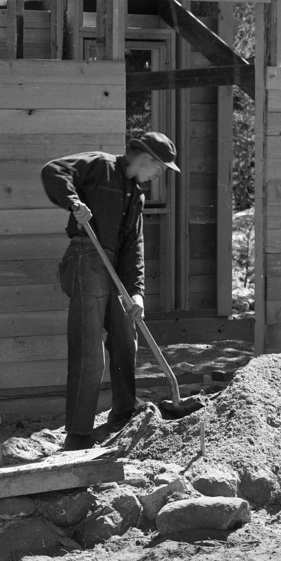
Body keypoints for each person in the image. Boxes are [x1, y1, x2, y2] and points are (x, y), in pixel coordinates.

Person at [39, 132, 179, 449]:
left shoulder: (137, 195)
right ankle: (78, 433)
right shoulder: (100, 165)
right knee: (89, 349)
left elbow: (134, 249)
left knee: (124, 336)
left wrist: (137, 293)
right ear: (145, 158)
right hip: (85, 257)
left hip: (113, 265)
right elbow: (53, 171)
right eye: (159, 167)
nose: (159, 173)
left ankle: (123, 415)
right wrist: (73, 202)